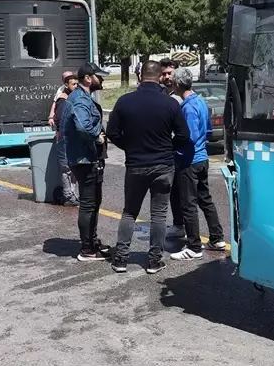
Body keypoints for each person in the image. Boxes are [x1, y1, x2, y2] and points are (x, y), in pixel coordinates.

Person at [106, 60, 189, 274]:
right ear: (160, 76)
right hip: (163, 165)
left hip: (136, 164)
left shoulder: (125, 101)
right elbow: (184, 136)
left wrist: (130, 147)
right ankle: (154, 260)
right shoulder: (170, 103)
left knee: (130, 212)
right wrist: (169, 148)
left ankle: (121, 259)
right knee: (159, 215)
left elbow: (112, 133)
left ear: (140, 76)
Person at [170, 69, 227, 260]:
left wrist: (174, 144)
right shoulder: (201, 101)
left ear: (178, 85)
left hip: (189, 160)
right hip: (202, 158)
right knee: (205, 198)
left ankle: (194, 246)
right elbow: (208, 130)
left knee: (188, 204)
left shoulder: (187, 108)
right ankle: (217, 237)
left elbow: (190, 136)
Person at [63, 63, 112, 261]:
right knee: (89, 204)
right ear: (88, 78)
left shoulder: (81, 98)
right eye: (99, 76)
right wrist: (97, 137)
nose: (103, 80)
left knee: (92, 202)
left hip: (86, 157)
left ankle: (91, 241)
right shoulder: (81, 100)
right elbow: (83, 127)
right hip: (85, 159)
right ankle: (87, 249)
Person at [157, 57, 187, 245]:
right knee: (173, 191)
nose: (167, 77)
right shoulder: (163, 95)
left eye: (170, 73)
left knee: (185, 192)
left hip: (179, 150)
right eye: (164, 74)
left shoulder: (180, 98)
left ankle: (186, 227)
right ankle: (178, 224)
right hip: (168, 152)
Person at [52, 72, 79, 206]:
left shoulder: (71, 98)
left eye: (77, 84)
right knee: (66, 169)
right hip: (65, 140)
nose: (76, 86)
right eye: (73, 84)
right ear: (66, 85)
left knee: (73, 169)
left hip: (71, 140)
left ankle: (74, 195)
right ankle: (68, 196)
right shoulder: (63, 100)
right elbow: (61, 121)